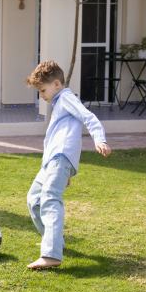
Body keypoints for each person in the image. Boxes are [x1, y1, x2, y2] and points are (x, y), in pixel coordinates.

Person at [25, 60, 111, 269]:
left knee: (50, 198)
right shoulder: (58, 104)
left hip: (60, 158)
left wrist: (100, 139)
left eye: (43, 90)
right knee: (33, 199)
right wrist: (66, 173)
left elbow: (88, 117)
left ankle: (52, 255)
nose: (41, 96)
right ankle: (54, 241)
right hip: (53, 161)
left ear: (56, 84)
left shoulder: (66, 98)